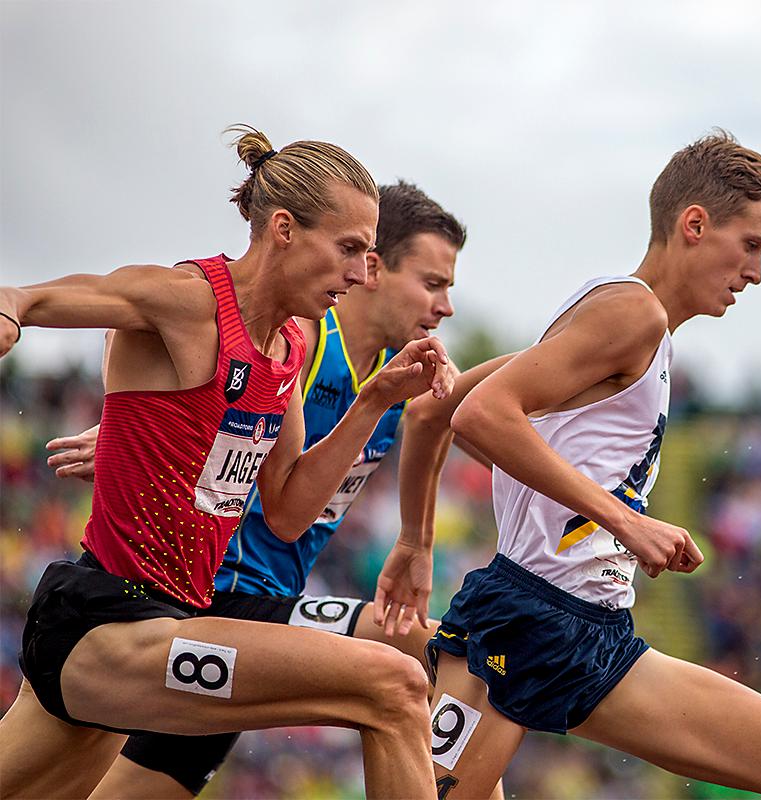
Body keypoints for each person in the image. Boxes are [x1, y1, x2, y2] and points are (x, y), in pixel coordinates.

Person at [407, 131, 761, 799]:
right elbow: (480, 415)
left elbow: (438, 408)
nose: (755, 273)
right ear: (695, 224)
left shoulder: (632, 324)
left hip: (594, 635)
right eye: (751, 245)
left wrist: (418, 542)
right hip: (529, 620)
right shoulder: (632, 312)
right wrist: (625, 523)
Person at [0, 126, 451, 800]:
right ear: (283, 230)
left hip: (169, 623)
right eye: (350, 249)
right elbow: (34, 299)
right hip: (104, 619)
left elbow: (292, 511)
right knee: (395, 683)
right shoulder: (191, 301)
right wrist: (8, 310)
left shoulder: (285, 350)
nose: (361, 274)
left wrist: (376, 398)